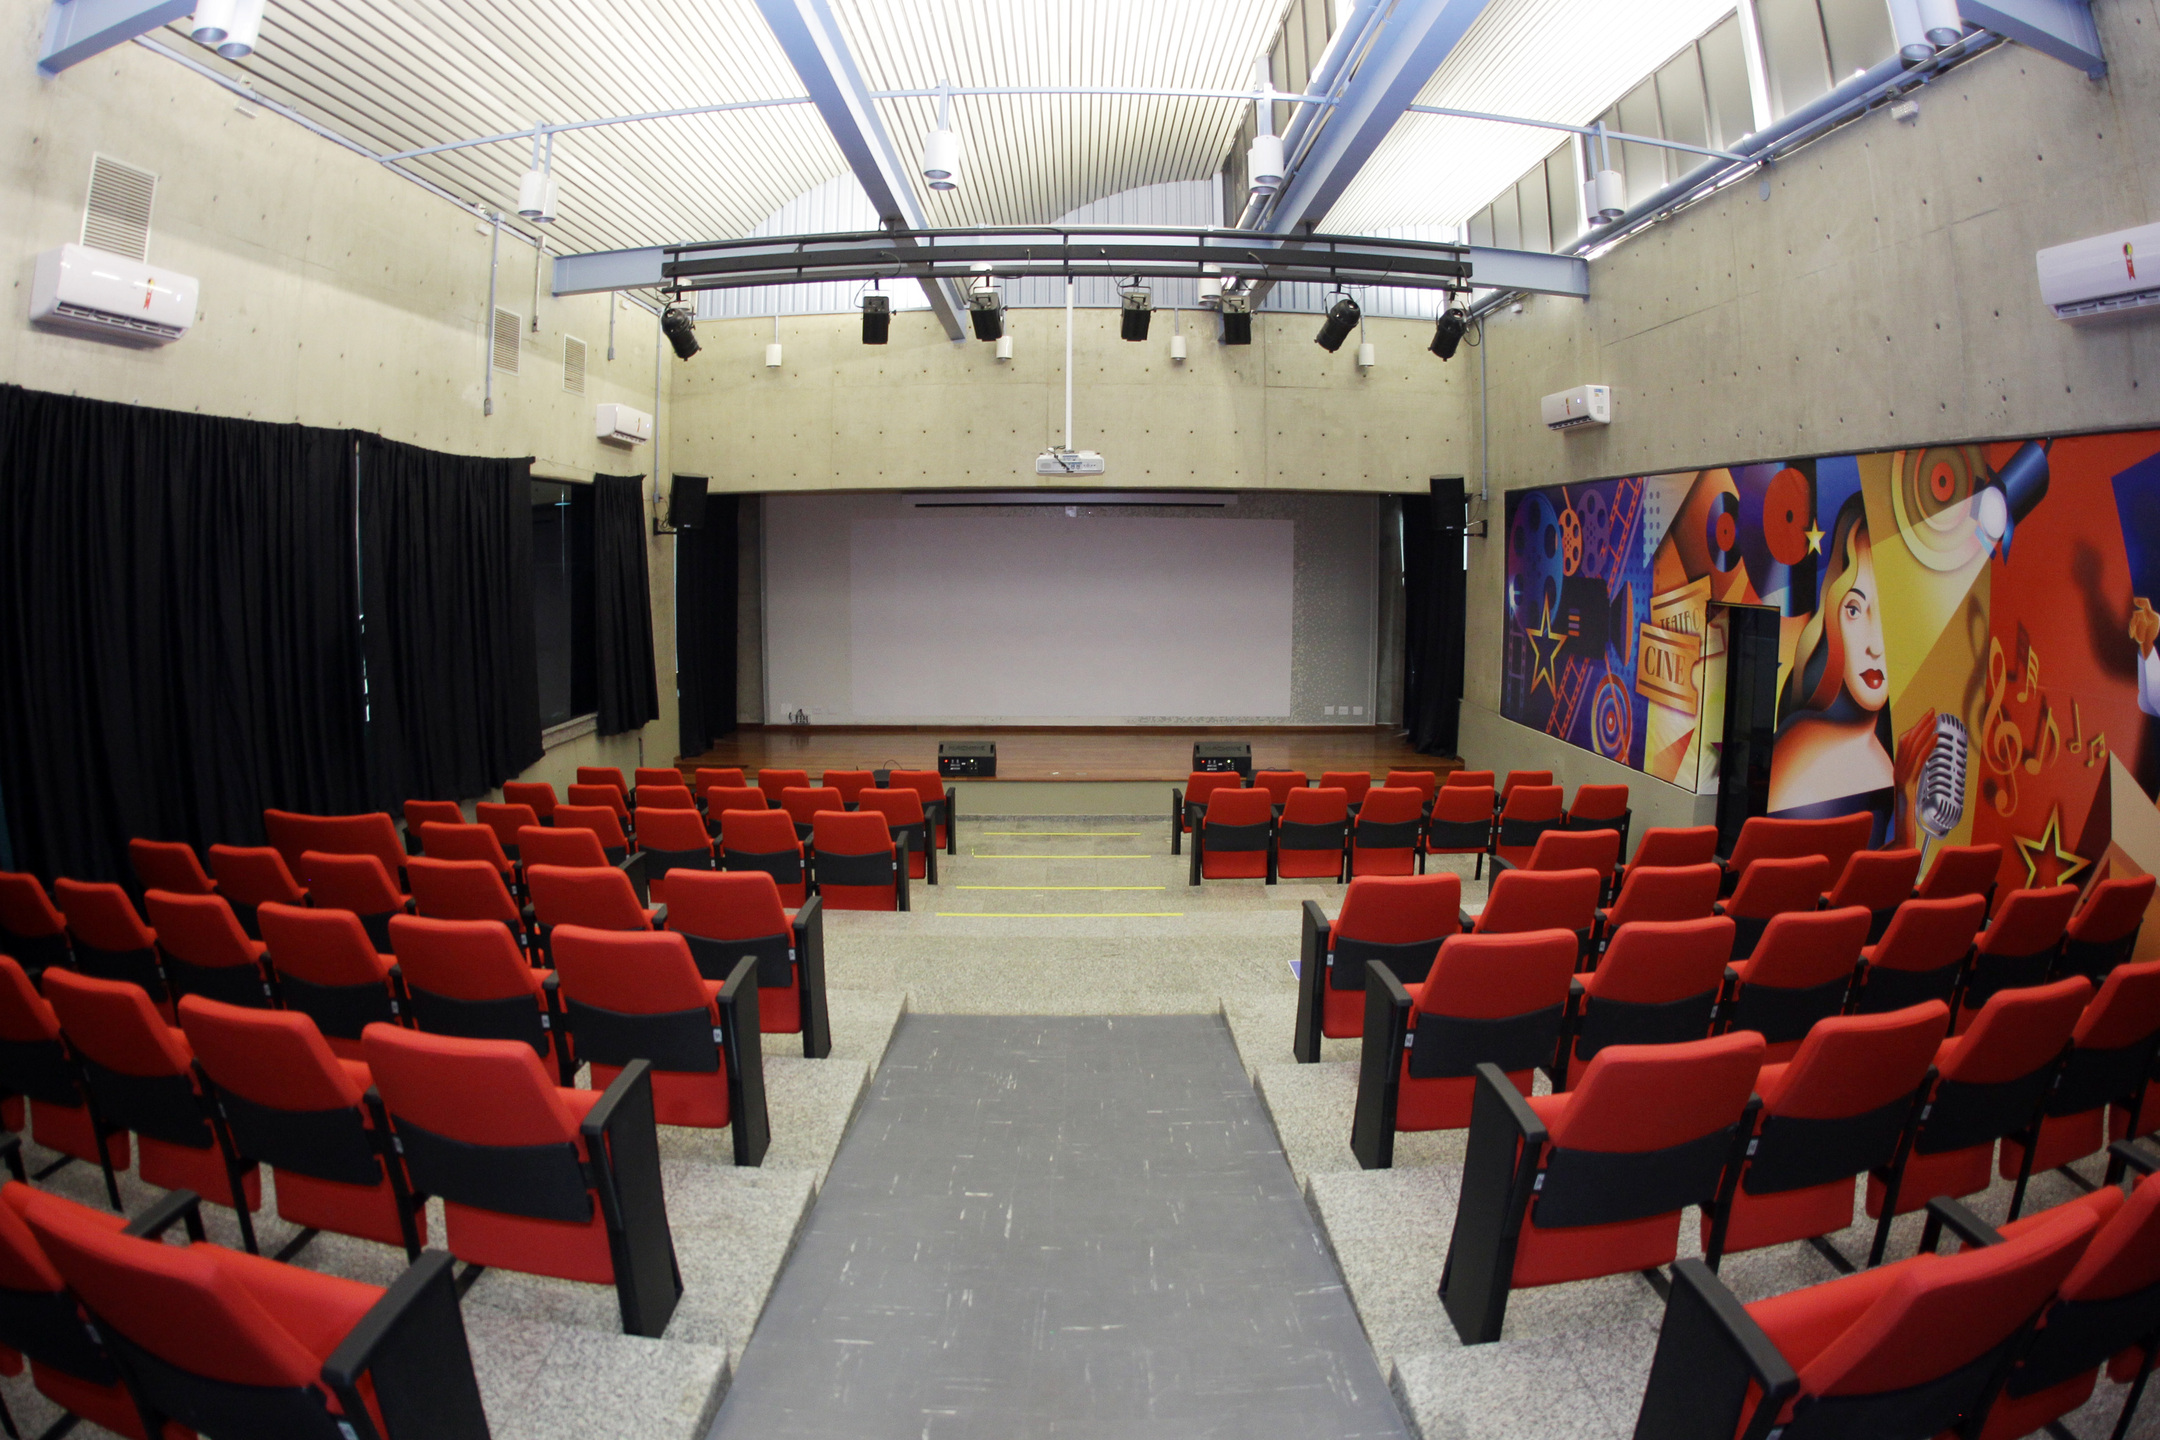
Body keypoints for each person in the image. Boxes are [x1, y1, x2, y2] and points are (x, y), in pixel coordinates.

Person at [1767, 495, 1932, 845]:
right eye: (1855, 609)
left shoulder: (1888, 760)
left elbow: (1868, 873)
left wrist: (1905, 799)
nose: (1875, 646)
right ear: (1833, 617)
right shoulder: (1800, 747)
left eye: (1889, 614)